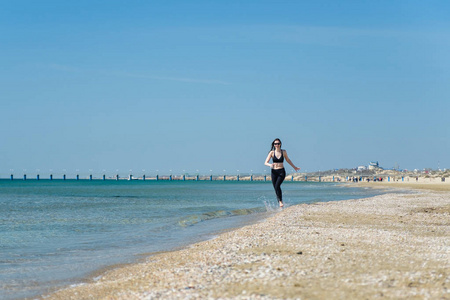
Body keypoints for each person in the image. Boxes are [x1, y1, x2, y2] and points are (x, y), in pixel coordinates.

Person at [264, 138, 301, 207]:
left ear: (280, 144)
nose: (276, 145)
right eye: (275, 144)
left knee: (277, 186)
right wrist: (270, 165)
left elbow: (288, 160)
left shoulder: (283, 152)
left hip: (281, 171)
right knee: (275, 187)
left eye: (278, 143)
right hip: (274, 172)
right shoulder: (272, 152)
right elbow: (265, 162)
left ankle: (280, 202)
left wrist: (294, 167)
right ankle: (280, 202)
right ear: (274, 145)